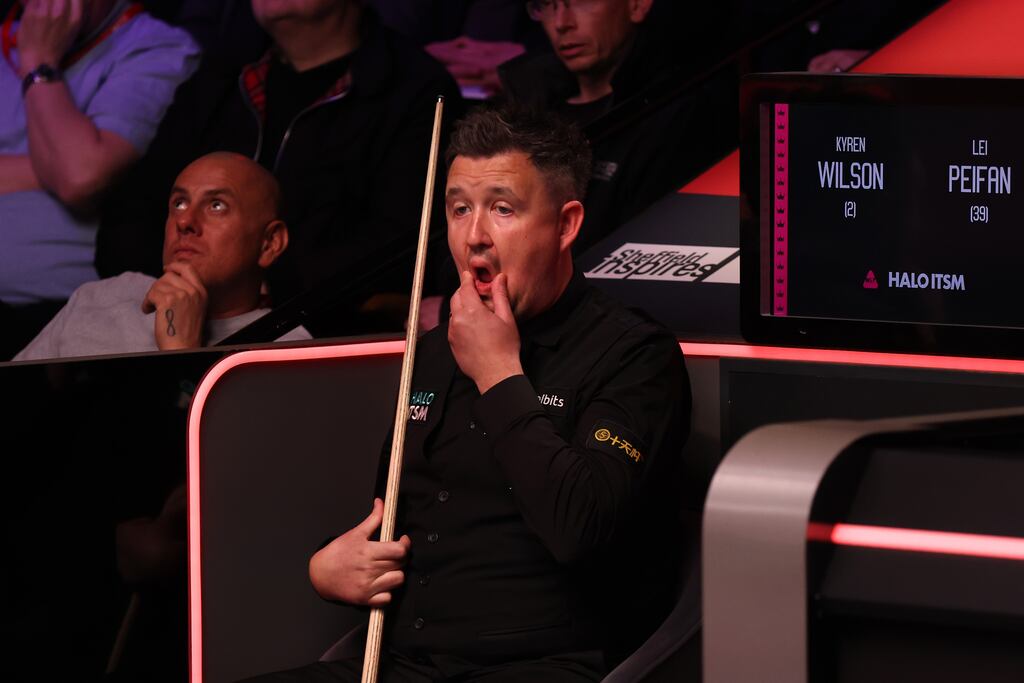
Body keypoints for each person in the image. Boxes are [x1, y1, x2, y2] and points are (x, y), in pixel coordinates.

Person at [246, 107, 691, 681]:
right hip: (404, 664)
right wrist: (332, 565)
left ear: (565, 224)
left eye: (502, 209)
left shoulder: (635, 354)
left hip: (546, 668)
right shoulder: (435, 350)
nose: (474, 235)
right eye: (459, 209)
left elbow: (580, 528)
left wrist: (499, 373)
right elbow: (398, 514)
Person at [97, 0, 463, 336]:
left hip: (318, 333)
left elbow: (406, 244)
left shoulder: (413, 88)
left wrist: (257, 282)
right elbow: (129, 217)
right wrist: (168, 283)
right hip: (168, 314)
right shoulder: (220, 79)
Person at [0, 0, 200, 358]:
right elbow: (75, 166)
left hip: (53, 313)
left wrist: (39, 61)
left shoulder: (157, 47)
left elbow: (81, 178)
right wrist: (62, 159)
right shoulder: (7, 37)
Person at [14, 152, 310, 361]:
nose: (185, 221)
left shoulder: (287, 350)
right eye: (179, 203)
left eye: (217, 205)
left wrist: (182, 351)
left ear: (270, 243)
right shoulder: (101, 297)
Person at [497, 0, 734, 254]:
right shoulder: (522, 106)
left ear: (637, 5)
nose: (561, 23)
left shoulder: (675, 113)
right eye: (547, 4)